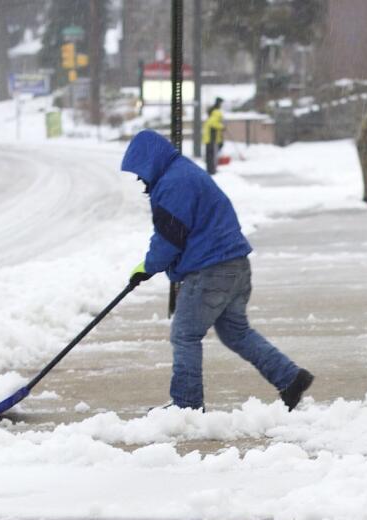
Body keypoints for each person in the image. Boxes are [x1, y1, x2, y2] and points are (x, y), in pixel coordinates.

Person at [120, 130, 313, 412]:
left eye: (140, 172)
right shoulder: (182, 173)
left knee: (185, 335)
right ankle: (290, 378)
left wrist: (147, 267)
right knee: (236, 332)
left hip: (210, 271)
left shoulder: (174, 183)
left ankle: (186, 405)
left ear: (150, 162)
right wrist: (148, 267)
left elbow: (170, 237)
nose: (140, 179)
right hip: (235, 265)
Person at [203, 97, 225, 175]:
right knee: (212, 154)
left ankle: (210, 170)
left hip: (209, 137)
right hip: (212, 138)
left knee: (210, 154)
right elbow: (212, 123)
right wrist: (222, 126)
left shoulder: (212, 111)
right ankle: (212, 170)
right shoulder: (216, 112)